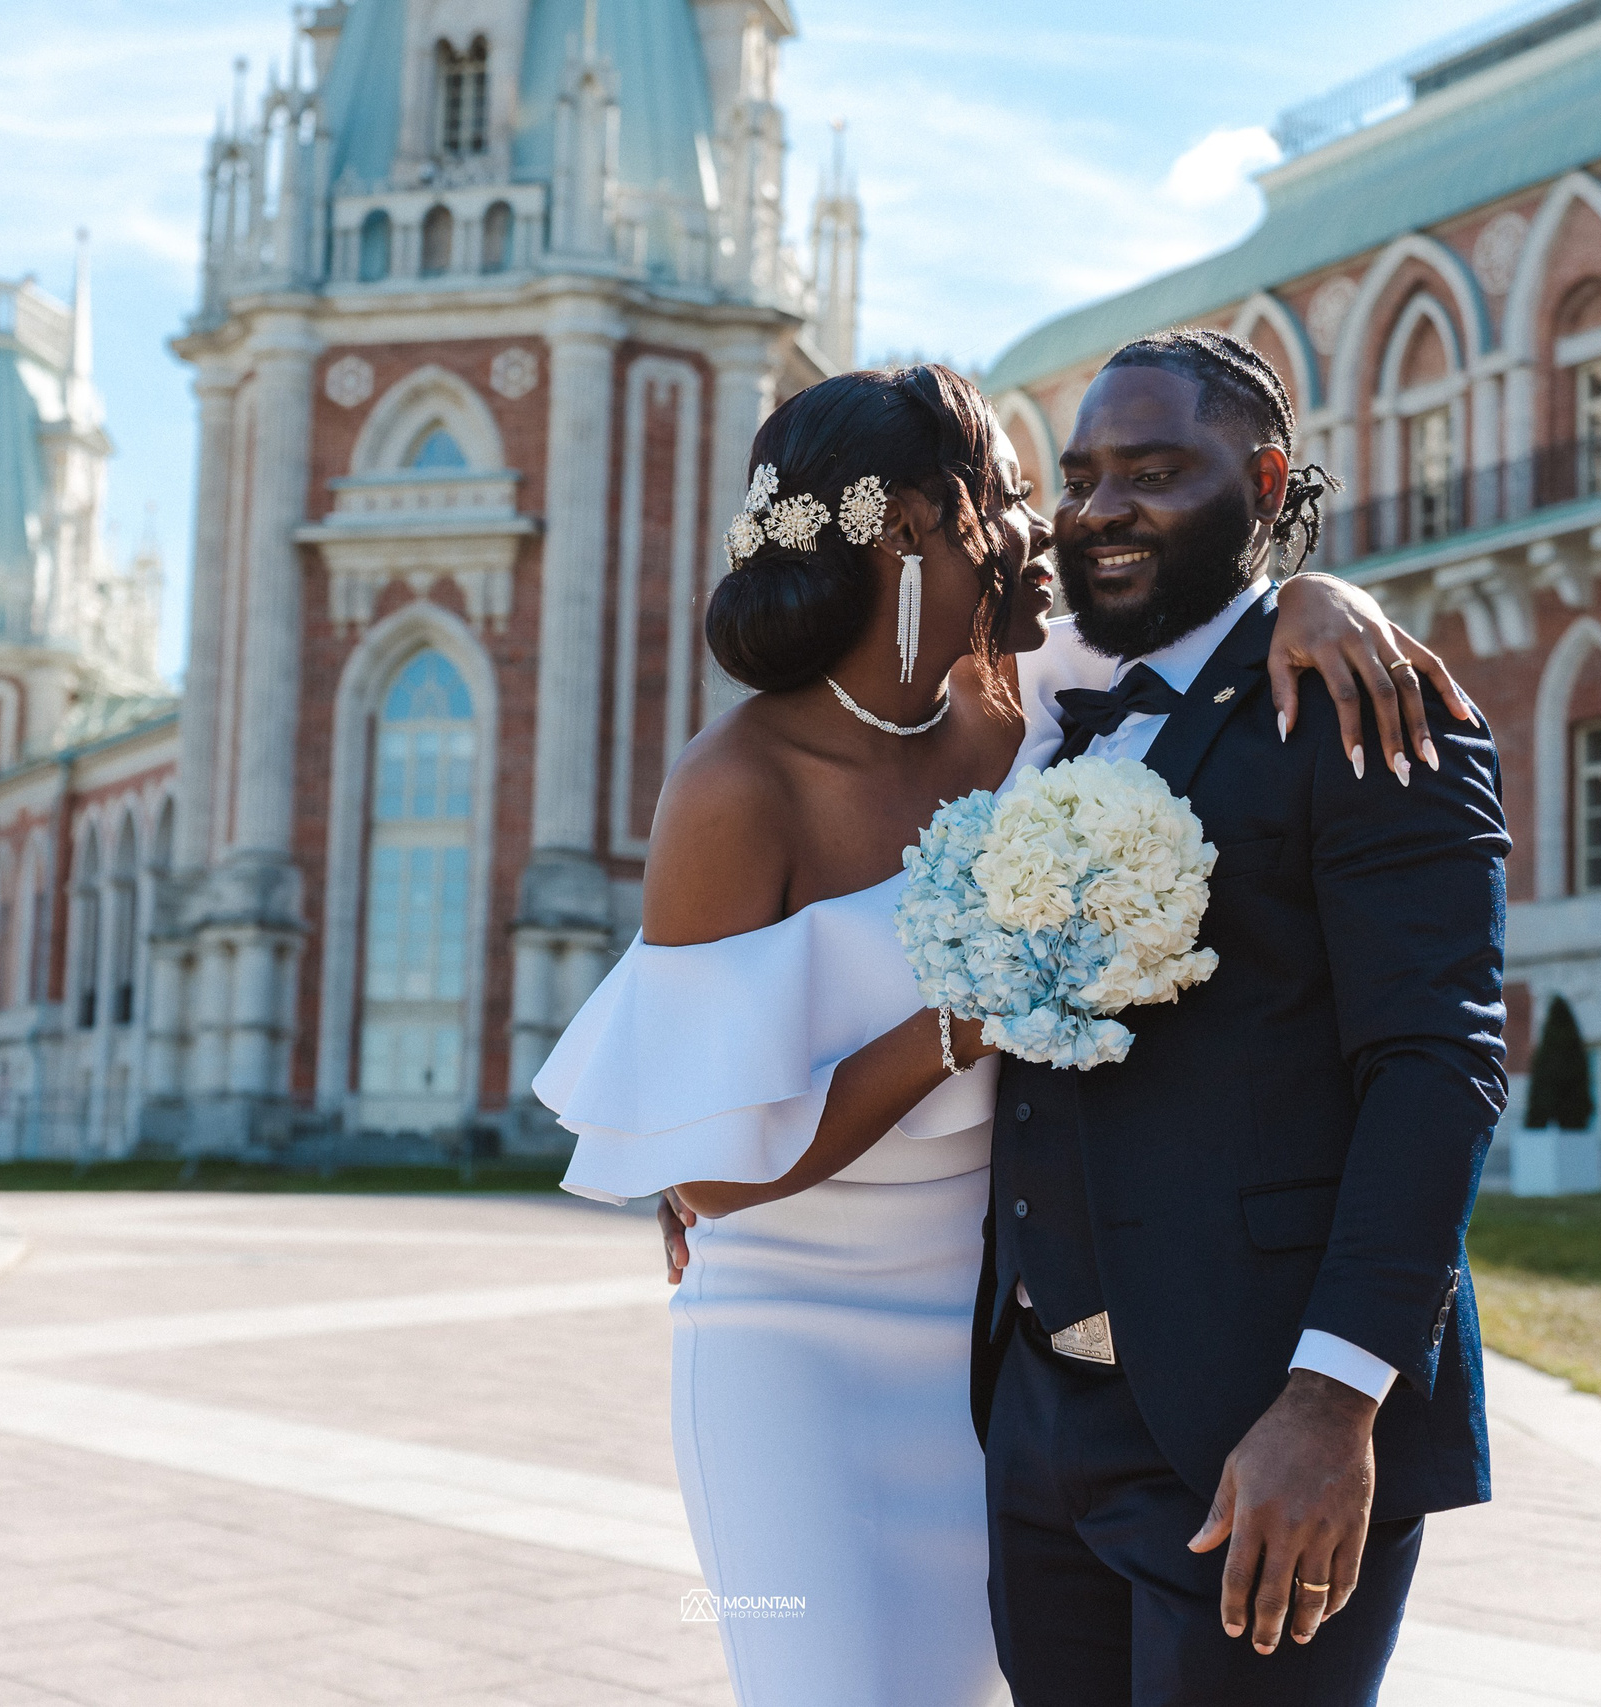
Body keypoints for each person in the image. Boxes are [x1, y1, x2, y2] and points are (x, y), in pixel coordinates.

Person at [533, 362, 1470, 1707]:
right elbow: (709, 1177)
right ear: (918, 526)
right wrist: (964, 1018)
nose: (1061, 527)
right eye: (1021, 493)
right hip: (789, 1343)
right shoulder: (733, 786)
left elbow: (1226, 626)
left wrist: (1326, 590)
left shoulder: (1039, 696)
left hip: (998, 1361)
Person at [976, 330, 1509, 1705]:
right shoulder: (1050, 715)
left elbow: (1437, 1068)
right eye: (1083, 475)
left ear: (1267, 479)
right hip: (1042, 1426)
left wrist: (1332, 1403)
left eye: (1155, 470)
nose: (1102, 507)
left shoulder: (1366, 706)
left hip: (1260, 1433)